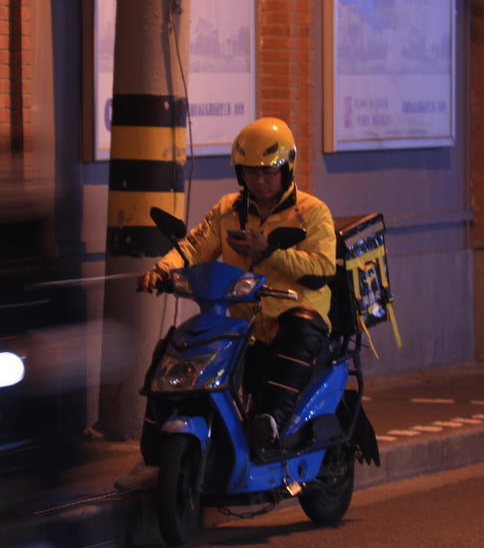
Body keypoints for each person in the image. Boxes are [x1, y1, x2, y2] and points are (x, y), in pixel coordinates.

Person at [138, 117, 336, 452]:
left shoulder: (312, 213)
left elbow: (322, 268)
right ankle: (153, 445)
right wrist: (163, 270)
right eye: (249, 171)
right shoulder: (227, 209)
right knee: (176, 346)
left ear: (286, 168)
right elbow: (193, 247)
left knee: (300, 328)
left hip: (293, 314)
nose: (258, 180)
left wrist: (271, 252)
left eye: (267, 171)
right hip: (241, 319)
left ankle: (270, 421)